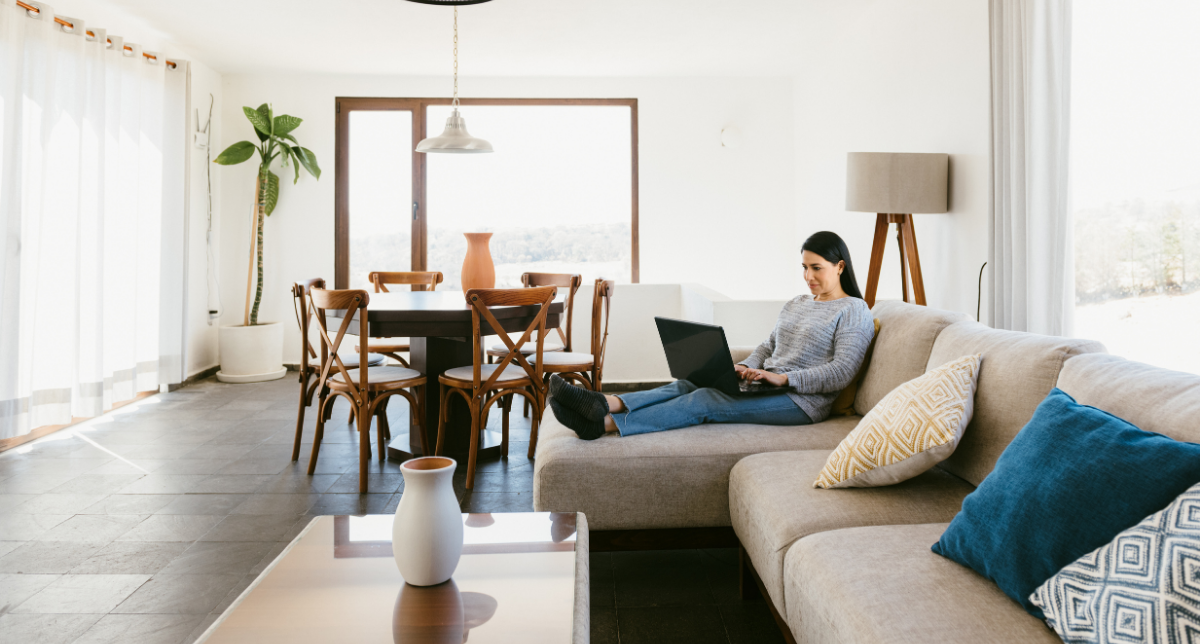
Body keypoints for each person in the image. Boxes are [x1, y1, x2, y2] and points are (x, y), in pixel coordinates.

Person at [549, 231, 876, 440]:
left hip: (801, 402)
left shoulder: (853, 311)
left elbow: (842, 372)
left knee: (705, 399)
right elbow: (769, 345)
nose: (808, 276)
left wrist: (785, 380)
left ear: (841, 267)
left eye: (816, 268)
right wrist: (747, 367)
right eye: (804, 267)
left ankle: (603, 424)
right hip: (765, 385)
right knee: (689, 382)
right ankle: (603, 402)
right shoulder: (798, 303)